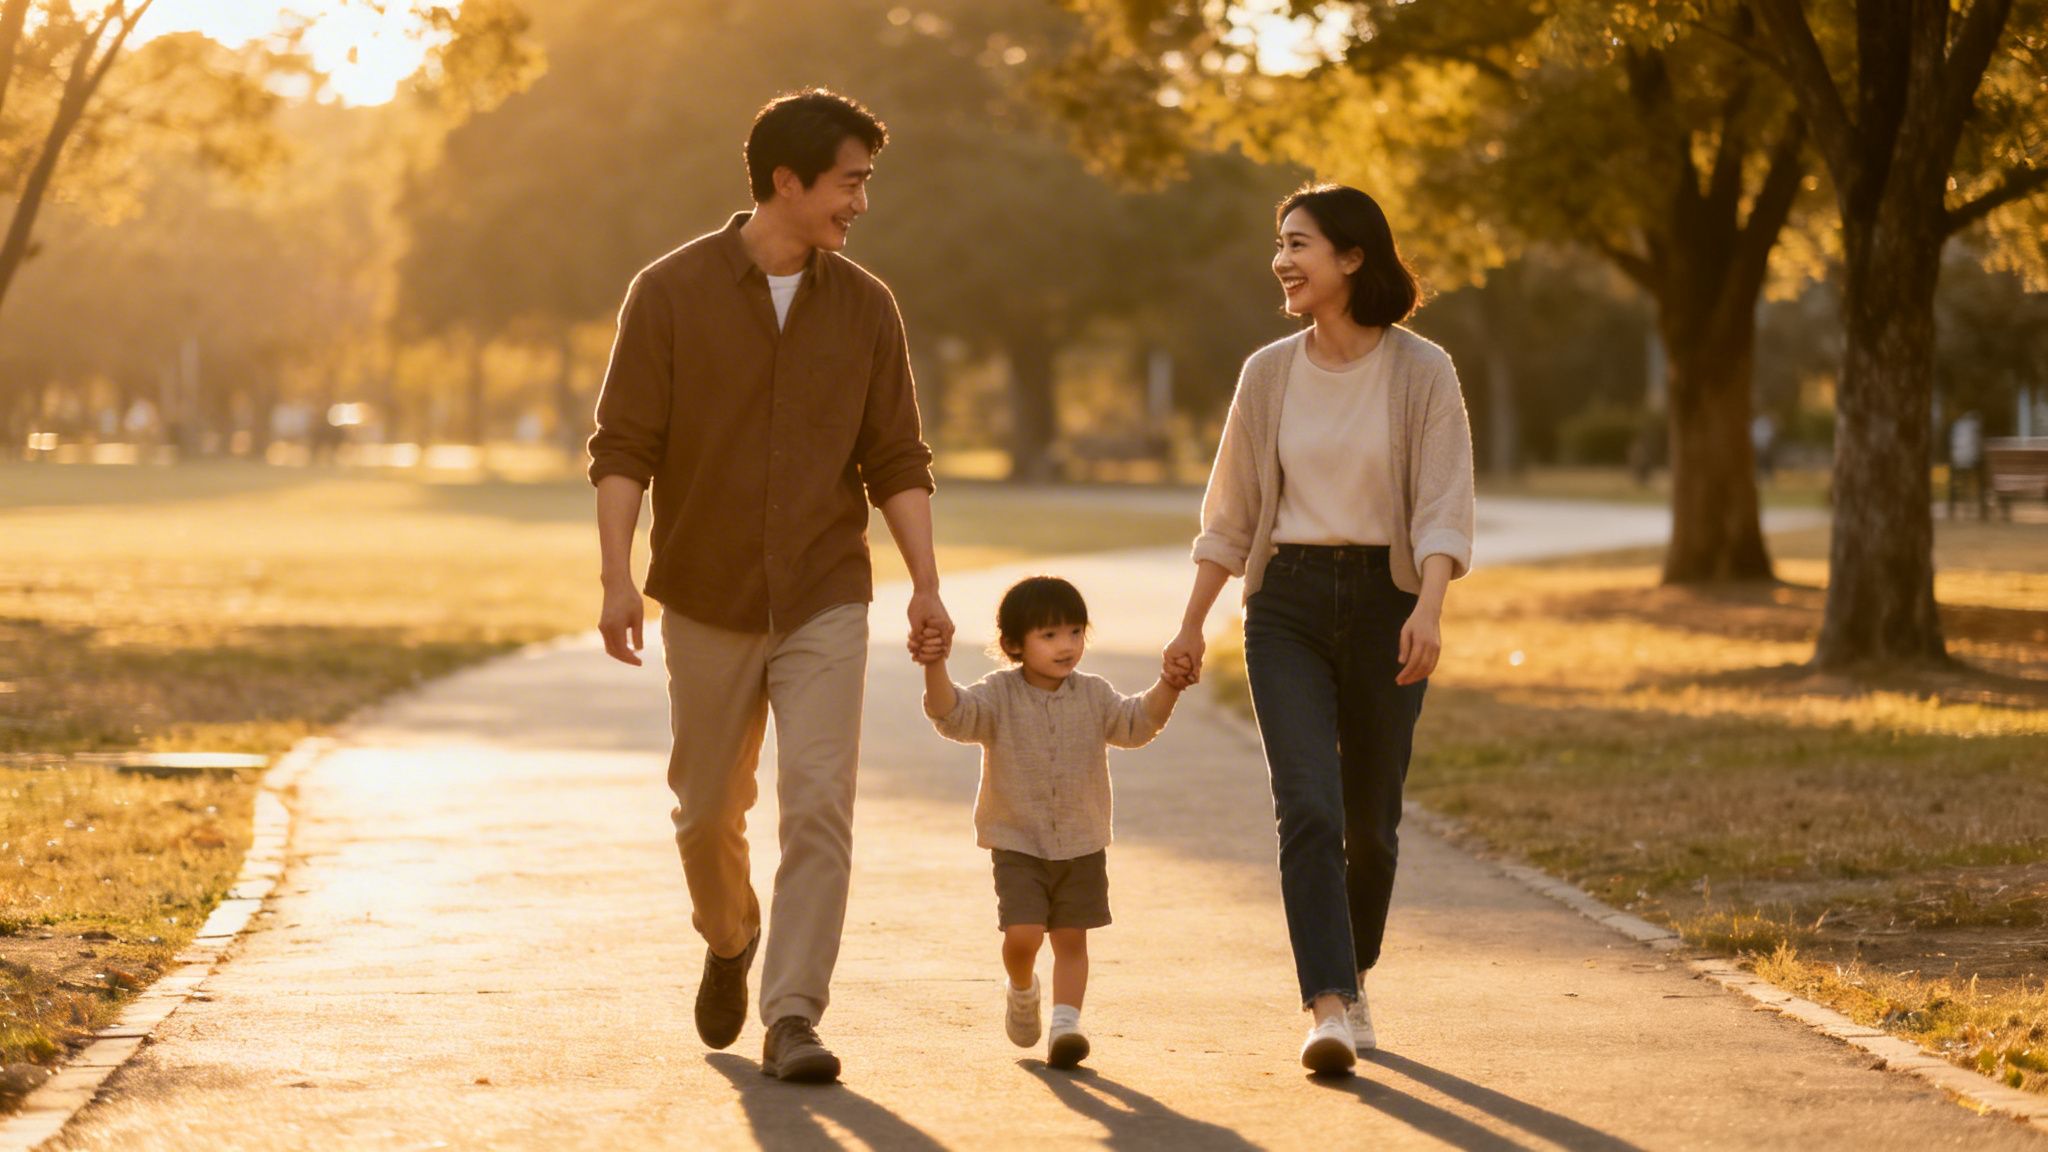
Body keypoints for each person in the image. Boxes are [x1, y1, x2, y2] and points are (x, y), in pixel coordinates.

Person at [588, 88, 953, 1084]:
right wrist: (617, 575)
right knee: (707, 812)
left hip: (825, 590)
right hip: (704, 591)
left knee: (818, 805)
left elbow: (896, 457)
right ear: (785, 181)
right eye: (849, 183)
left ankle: (793, 1014)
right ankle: (728, 935)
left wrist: (924, 584)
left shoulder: (867, 307)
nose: (860, 206)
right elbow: (623, 446)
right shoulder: (666, 292)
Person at [1162, 184, 1474, 1075]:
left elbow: (1447, 499)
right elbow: (1230, 513)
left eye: (1300, 244)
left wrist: (1430, 604)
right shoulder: (1268, 373)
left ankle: (1355, 972)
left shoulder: (1423, 370)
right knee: (1307, 803)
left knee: (1371, 825)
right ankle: (1329, 1006)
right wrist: (1193, 623)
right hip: (1288, 603)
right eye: (1280, 244)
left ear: (1352, 258)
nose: (1283, 261)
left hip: (1388, 596)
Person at [919, 576, 1182, 1069]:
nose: (1067, 646)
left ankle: (1066, 1025)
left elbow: (1136, 724)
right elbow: (951, 715)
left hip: (1081, 841)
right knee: (1023, 936)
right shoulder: (998, 695)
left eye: (1075, 632)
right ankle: (1022, 988)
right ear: (1014, 644)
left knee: (1070, 939)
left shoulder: (1095, 694)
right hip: (1017, 840)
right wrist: (934, 664)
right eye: (1050, 635)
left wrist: (1169, 684)